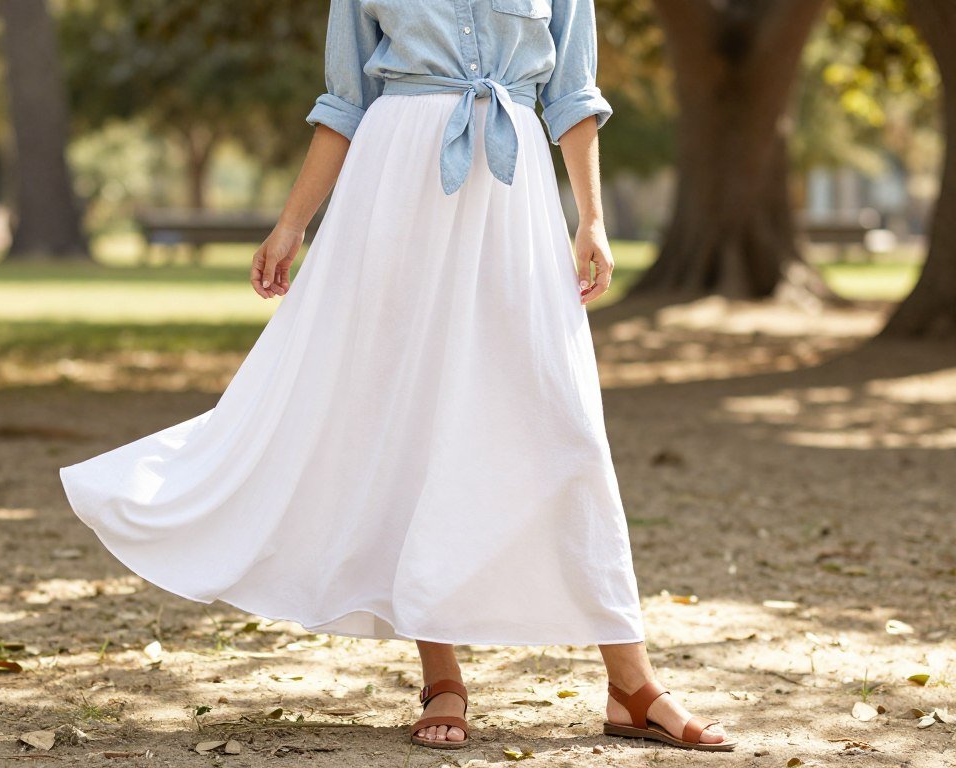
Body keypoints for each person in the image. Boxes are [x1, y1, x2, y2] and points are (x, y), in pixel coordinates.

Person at [59, 0, 737, 754]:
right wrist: (292, 223)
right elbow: (345, 101)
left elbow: (573, 93)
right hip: (396, 192)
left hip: (512, 199)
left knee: (562, 419)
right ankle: (441, 674)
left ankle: (630, 682)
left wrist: (592, 218)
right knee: (409, 418)